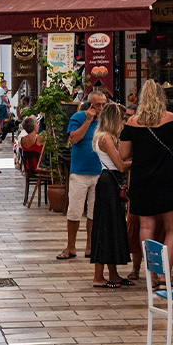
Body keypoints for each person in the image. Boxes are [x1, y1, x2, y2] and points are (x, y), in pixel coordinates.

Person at [119, 80, 173, 278]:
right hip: (167, 180)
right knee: (172, 229)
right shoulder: (171, 119)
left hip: (141, 180)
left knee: (146, 227)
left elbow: (123, 155)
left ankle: (152, 275)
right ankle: (165, 274)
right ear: (161, 98)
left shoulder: (132, 123)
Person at [56, 91, 106, 261]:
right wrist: (88, 120)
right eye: (97, 104)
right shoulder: (78, 117)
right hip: (79, 171)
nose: (100, 108)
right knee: (75, 211)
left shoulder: (105, 122)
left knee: (94, 212)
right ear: (89, 104)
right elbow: (75, 138)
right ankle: (70, 246)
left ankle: (90, 247)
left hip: (99, 171)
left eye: (103, 104)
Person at [90, 103, 132, 289]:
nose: (124, 122)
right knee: (105, 228)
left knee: (112, 227)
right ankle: (98, 277)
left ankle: (113, 274)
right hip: (108, 182)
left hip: (110, 182)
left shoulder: (104, 136)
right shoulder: (105, 138)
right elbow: (121, 165)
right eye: (122, 118)